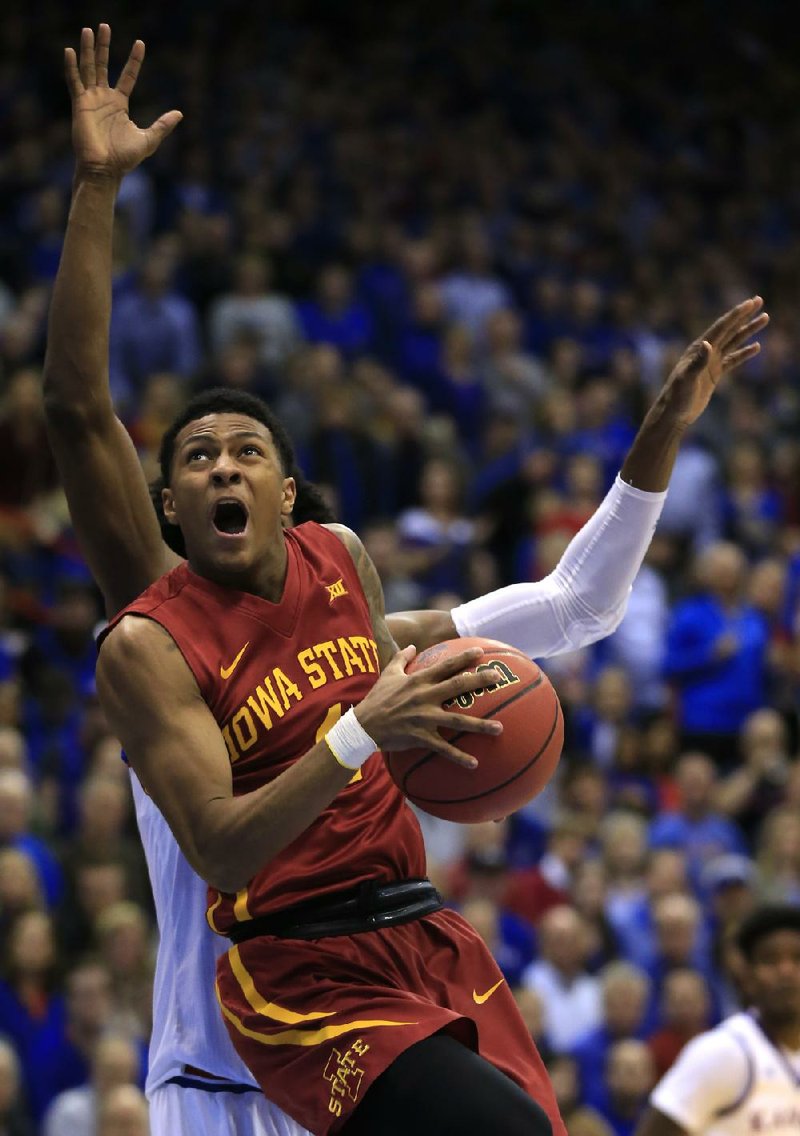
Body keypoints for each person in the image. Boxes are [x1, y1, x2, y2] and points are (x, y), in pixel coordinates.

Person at [45, 23, 768, 1136]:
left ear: (293, 495)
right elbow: (79, 413)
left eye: (247, 452)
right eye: (195, 457)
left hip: (392, 995)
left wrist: (657, 436)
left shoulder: (353, 596)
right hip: (223, 1056)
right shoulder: (158, 623)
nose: (222, 467)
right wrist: (97, 187)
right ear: (170, 505)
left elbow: (577, 606)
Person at [634, 904, 800, 1136]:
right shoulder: (724, 1051)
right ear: (747, 976)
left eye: (797, 958)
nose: (786, 971)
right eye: (770, 960)